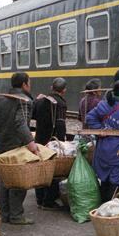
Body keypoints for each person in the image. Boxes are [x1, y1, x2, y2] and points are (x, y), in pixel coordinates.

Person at [0, 72, 38, 225]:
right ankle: (16, 215)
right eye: (29, 82)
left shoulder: (0, 100)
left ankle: (5, 213)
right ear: (24, 84)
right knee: (17, 181)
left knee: (3, 180)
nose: (30, 85)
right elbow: (20, 123)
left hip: (2, 145)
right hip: (16, 147)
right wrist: (31, 144)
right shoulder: (25, 101)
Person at [34, 77, 68, 209]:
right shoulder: (60, 103)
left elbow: (33, 115)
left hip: (40, 140)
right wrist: (62, 142)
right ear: (64, 90)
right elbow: (60, 124)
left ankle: (39, 199)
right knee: (54, 171)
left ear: (51, 88)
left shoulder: (41, 100)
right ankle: (48, 201)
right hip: (52, 141)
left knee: (41, 168)